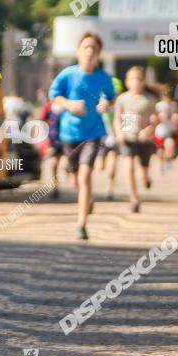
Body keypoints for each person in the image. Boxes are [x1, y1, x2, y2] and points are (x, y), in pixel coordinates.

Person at [49, 31, 117, 240]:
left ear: (99, 54)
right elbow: (54, 96)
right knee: (75, 179)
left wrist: (107, 104)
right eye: (86, 47)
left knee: (86, 174)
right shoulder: (68, 74)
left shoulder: (104, 77)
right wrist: (69, 104)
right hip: (69, 133)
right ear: (78, 51)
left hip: (93, 133)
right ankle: (86, 199)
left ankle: (81, 224)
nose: (89, 52)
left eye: (94, 49)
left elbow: (112, 98)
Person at [113, 66, 157, 213]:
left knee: (143, 171)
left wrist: (148, 130)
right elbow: (117, 118)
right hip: (128, 137)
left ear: (143, 81)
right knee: (128, 166)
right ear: (127, 81)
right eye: (133, 79)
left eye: (139, 79)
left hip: (144, 139)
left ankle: (146, 178)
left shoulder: (149, 99)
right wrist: (119, 132)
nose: (136, 82)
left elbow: (155, 120)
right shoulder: (122, 99)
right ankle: (134, 198)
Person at [98, 75, 124, 200]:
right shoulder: (101, 101)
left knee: (113, 164)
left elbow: (129, 122)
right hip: (102, 137)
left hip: (116, 138)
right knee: (100, 166)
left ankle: (109, 188)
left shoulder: (123, 103)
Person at [37, 97, 65, 198]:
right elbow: (41, 121)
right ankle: (55, 187)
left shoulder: (69, 103)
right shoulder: (49, 105)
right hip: (53, 140)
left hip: (69, 139)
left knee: (65, 165)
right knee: (53, 164)